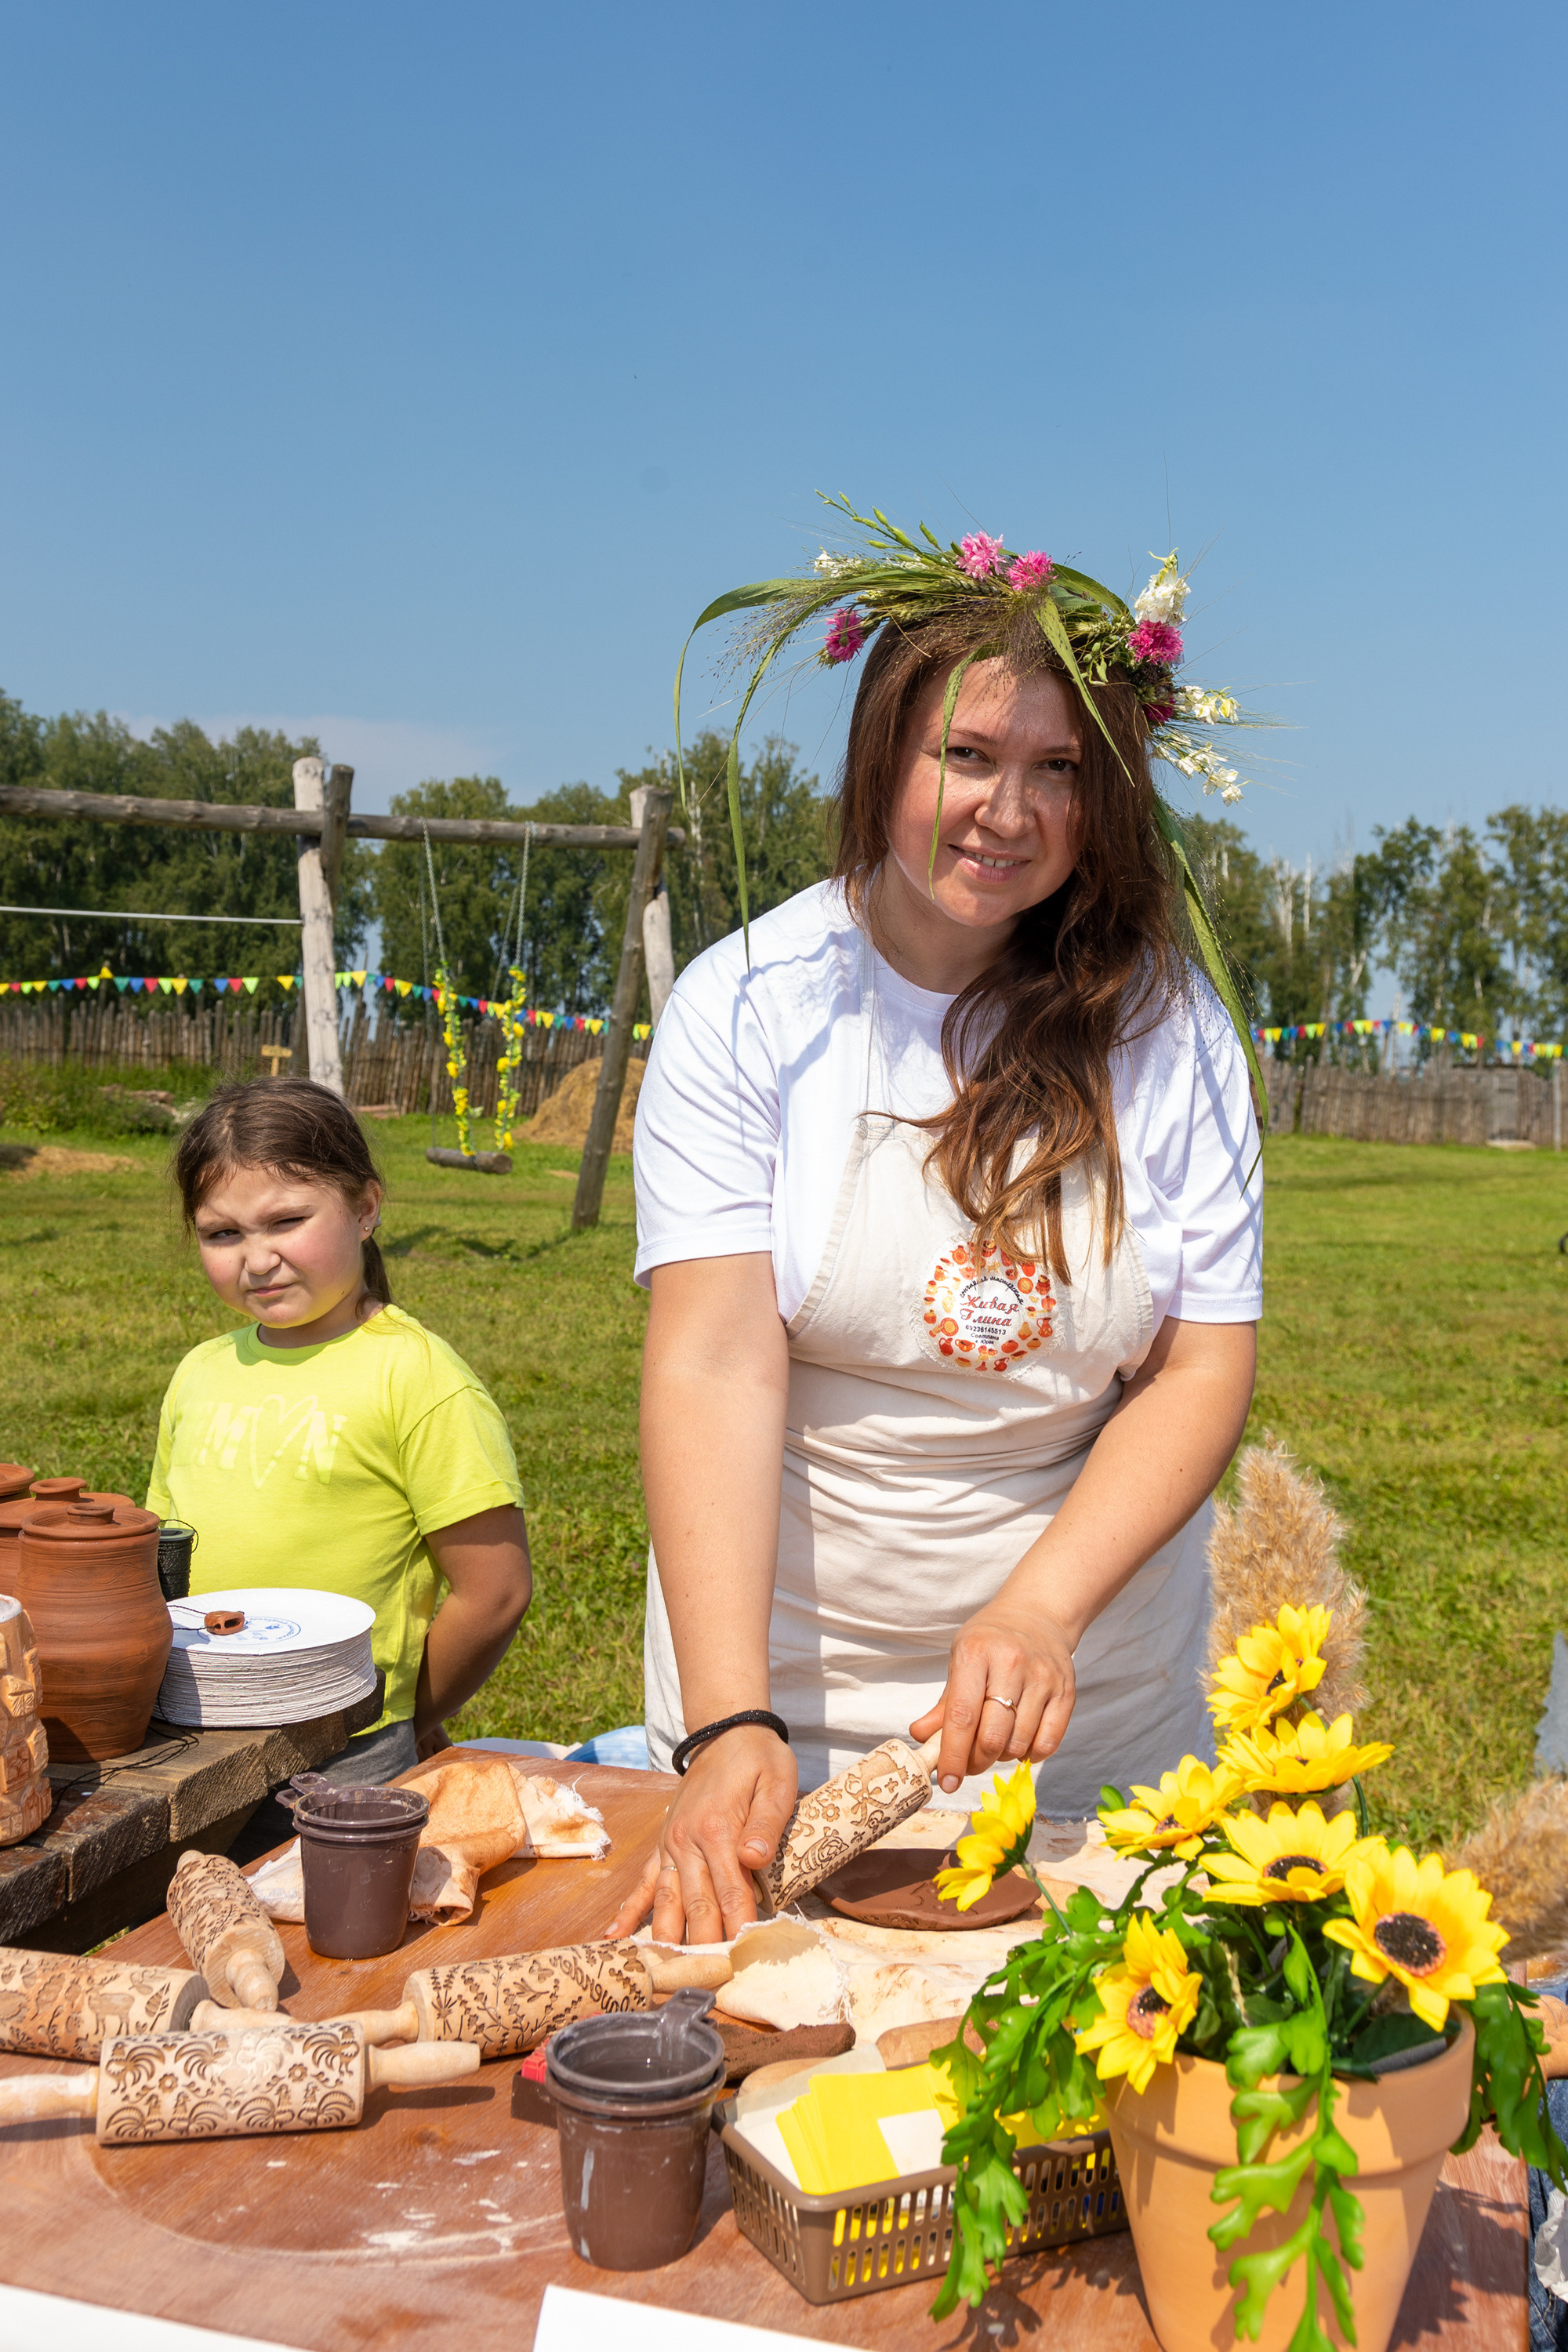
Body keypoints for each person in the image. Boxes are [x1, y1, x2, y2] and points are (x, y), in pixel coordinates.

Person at [610, 506, 1262, 1946]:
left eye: (1058, 770)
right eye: (965, 756)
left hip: (1083, 1696)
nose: (1006, 812)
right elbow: (715, 1360)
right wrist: (731, 1715)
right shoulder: (751, 1003)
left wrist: (1040, 1611)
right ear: (884, 758)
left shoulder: (1168, 1027)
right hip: (789, 1687)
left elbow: (1198, 1365)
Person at [147, 1078, 532, 1817]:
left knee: (328, 1930)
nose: (257, 1261)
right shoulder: (200, 1372)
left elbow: (496, 1592)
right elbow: (162, 1551)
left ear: (365, 1208)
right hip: (189, 1734)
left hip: (347, 1753)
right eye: (222, 1234)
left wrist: (406, 1720)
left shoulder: (418, 1378)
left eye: (286, 1221)